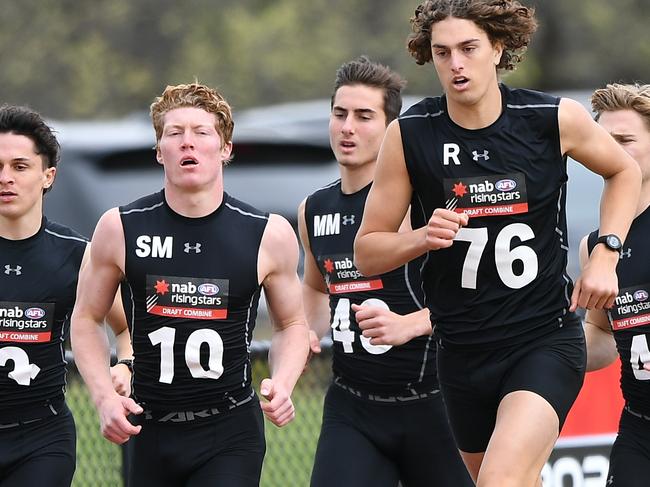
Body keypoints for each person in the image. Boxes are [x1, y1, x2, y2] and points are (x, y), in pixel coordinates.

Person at [353, 1, 642, 486]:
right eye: (442, 53)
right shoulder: (410, 135)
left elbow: (624, 170)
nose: (456, 64)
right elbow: (368, 250)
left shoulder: (549, 118)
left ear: (498, 47)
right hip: (461, 352)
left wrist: (606, 255)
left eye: (468, 49)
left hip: (541, 341)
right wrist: (421, 237)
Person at [70, 82, 310, 487]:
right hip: (149, 428)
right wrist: (104, 397)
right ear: (158, 150)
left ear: (226, 148)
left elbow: (291, 325)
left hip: (228, 428)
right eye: (174, 134)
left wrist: (283, 383)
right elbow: (86, 318)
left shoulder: (268, 233)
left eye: (201, 133)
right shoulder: (121, 227)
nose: (188, 144)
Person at [300, 56, 473, 487]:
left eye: (364, 116)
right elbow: (316, 288)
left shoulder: (422, 204)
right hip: (353, 406)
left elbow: (477, 299)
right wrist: (302, 334)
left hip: (436, 403)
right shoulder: (314, 209)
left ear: (390, 126)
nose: (348, 128)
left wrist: (409, 324)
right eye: (339, 114)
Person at [0, 105, 132, 487]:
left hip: (40, 438)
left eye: (19, 166)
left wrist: (124, 366)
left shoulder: (78, 254)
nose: (6, 178)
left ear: (47, 175)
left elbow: (126, 331)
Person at [582, 83, 650, 487]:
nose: (612, 151)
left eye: (625, 140)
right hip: (639, 428)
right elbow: (602, 335)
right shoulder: (594, 244)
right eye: (603, 141)